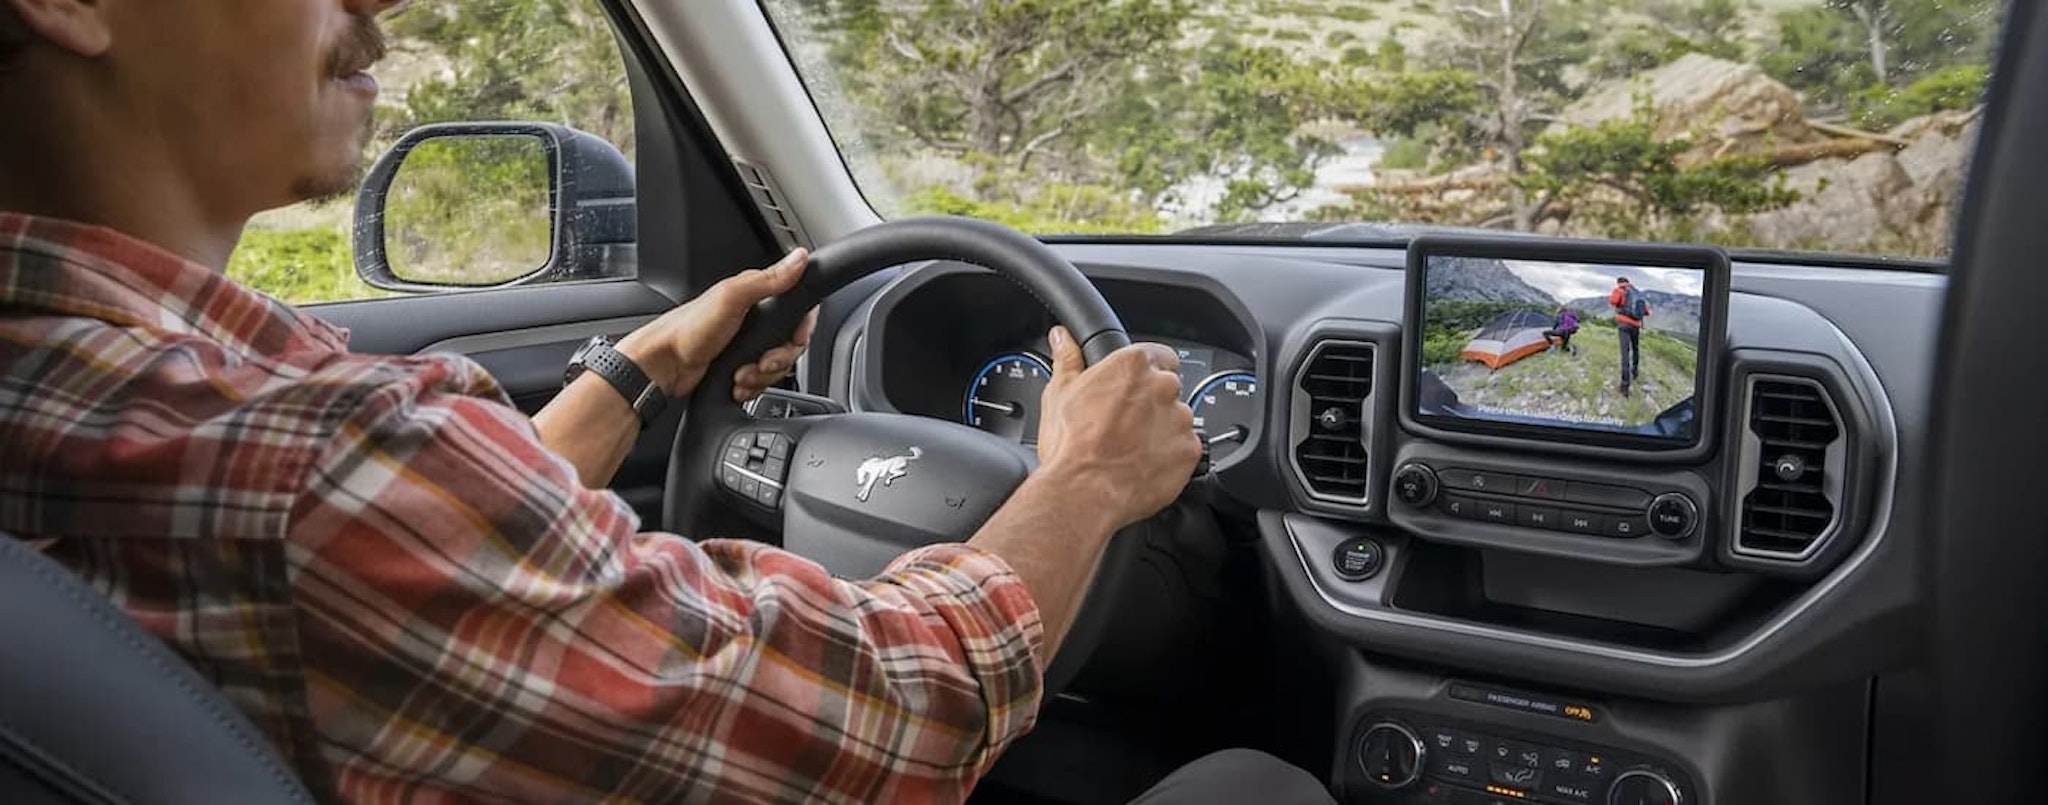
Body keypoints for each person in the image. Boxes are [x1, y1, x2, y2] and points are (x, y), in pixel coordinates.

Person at [0, 2, 1334, 804]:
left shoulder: (140, 402)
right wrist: (1087, 482)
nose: (377, 5)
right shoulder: (316, 469)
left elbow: (422, 572)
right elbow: (883, 721)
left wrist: (633, 377)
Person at [1607, 277, 1650, 396]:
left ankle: (1625, 386)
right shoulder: (1638, 294)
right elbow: (1646, 312)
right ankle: (1635, 372)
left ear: (1619, 282)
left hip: (1624, 324)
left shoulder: (1620, 290)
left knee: (1625, 353)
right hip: (1636, 326)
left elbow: (1613, 301)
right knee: (1636, 349)